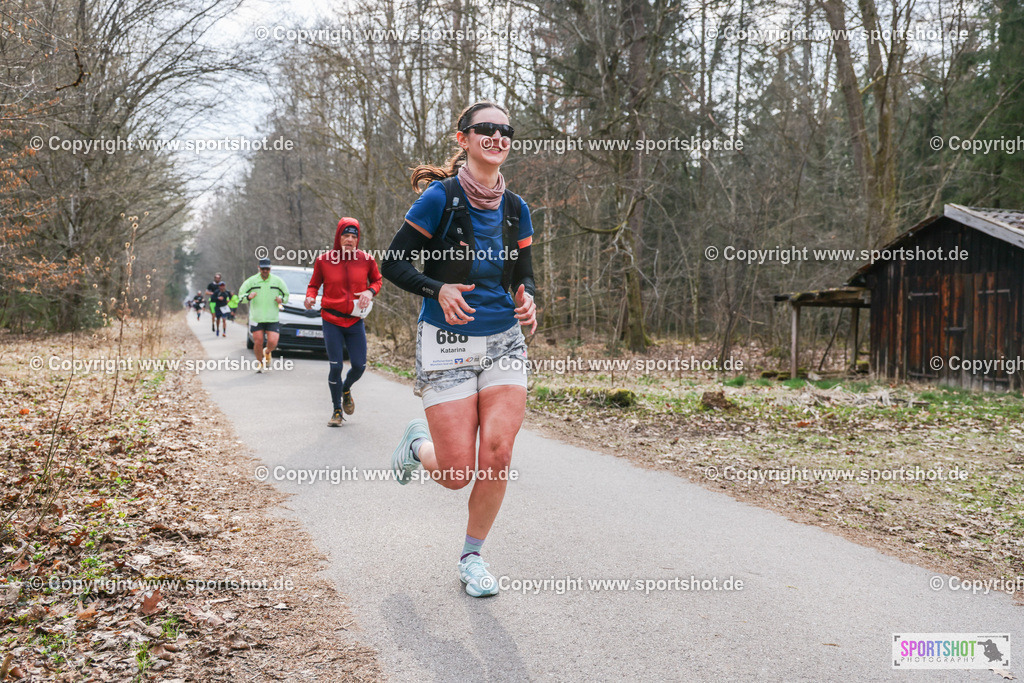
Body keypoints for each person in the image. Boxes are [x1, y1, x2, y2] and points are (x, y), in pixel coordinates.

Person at [381, 102, 537, 598]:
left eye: (504, 130)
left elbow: (525, 272)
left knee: (499, 452)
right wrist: (437, 289)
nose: (496, 136)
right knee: (454, 473)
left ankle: (472, 557)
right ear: (462, 139)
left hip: (503, 341)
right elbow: (394, 263)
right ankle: (415, 445)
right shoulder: (439, 198)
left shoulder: (517, 208)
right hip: (446, 342)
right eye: (484, 130)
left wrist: (527, 298)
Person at [305, 218, 383, 427]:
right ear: (338, 238)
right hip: (331, 320)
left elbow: (377, 280)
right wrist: (310, 297)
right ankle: (336, 411)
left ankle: (346, 389)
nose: (349, 240)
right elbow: (313, 285)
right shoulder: (323, 261)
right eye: (345, 235)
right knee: (335, 366)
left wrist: (369, 291)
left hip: (355, 320)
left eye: (353, 236)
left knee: (359, 366)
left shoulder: (366, 260)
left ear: (358, 240)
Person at [239, 259, 289, 372]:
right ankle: (260, 363)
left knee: (273, 342)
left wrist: (281, 299)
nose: (265, 271)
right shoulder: (251, 281)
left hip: (272, 317)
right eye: (263, 269)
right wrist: (248, 297)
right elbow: (241, 296)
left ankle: (267, 352)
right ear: (259, 268)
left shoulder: (277, 281)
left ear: (270, 269)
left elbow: (286, 295)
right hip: (257, 317)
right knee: (258, 341)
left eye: (267, 269)